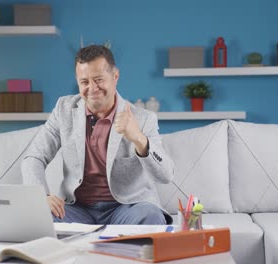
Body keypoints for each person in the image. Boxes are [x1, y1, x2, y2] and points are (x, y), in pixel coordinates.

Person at [21, 45, 174, 225]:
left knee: (151, 216)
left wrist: (138, 138)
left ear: (115, 76)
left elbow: (166, 175)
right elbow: (33, 157)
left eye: (99, 79)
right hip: (78, 209)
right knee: (38, 216)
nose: (92, 88)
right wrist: (42, 196)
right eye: (84, 82)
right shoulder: (64, 109)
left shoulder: (143, 118)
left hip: (126, 208)